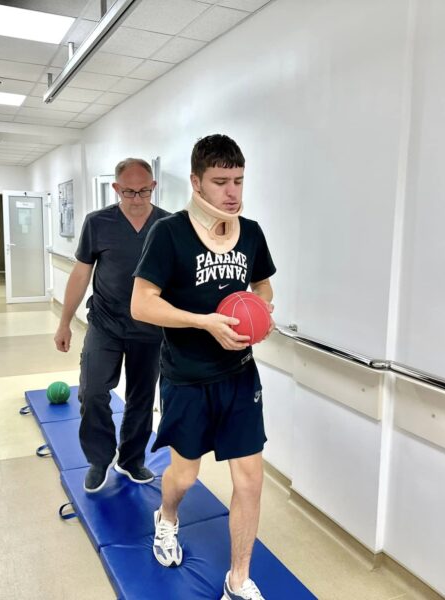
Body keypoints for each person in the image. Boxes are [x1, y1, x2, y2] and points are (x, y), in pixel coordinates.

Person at [131, 135, 276, 600]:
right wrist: (204, 322)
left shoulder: (250, 233)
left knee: (250, 479)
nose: (232, 192)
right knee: (185, 477)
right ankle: (167, 517)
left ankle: (239, 579)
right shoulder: (169, 233)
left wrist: (260, 312)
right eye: (220, 182)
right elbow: (142, 304)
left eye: (238, 181)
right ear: (196, 182)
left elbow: (263, 287)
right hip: (187, 376)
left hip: (240, 376)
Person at [54, 158, 170, 492]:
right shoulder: (98, 222)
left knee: (141, 398)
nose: (137, 199)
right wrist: (64, 322)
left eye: (144, 191)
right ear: (116, 188)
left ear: (153, 187)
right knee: (92, 392)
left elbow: (178, 279)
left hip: (150, 329)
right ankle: (99, 458)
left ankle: (131, 459)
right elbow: (81, 274)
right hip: (105, 323)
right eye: (129, 192)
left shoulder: (168, 225)